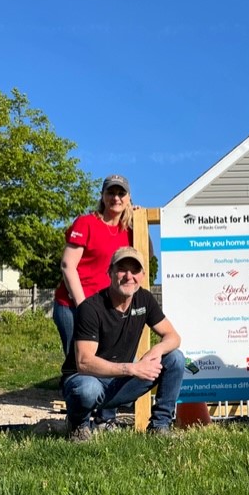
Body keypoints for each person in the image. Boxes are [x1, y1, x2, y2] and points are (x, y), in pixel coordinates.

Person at [61, 247, 184, 442]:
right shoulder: (90, 308)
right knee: (87, 390)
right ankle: (78, 426)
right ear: (110, 272)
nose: (129, 276)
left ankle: (160, 425)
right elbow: (84, 363)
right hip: (87, 379)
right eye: (122, 269)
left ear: (143, 275)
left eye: (135, 271)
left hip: (120, 381)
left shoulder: (144, 299)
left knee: (175, 358)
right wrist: (132, 368)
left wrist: (156, 350)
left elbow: (173, 337)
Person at [53, 173, 134, 428]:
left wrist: (140, 221)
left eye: (121, 193)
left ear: (128, 198)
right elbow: (68, 265)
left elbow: (146, 254)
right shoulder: (87, 223)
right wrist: (84, 306)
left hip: (109, 310)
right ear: (103, 196)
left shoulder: (128, 230)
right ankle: (78, 421)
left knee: (109, 359)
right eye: (111, 192)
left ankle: (105, 419)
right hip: (73, 305)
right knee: (80, 363)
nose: (116, 198)